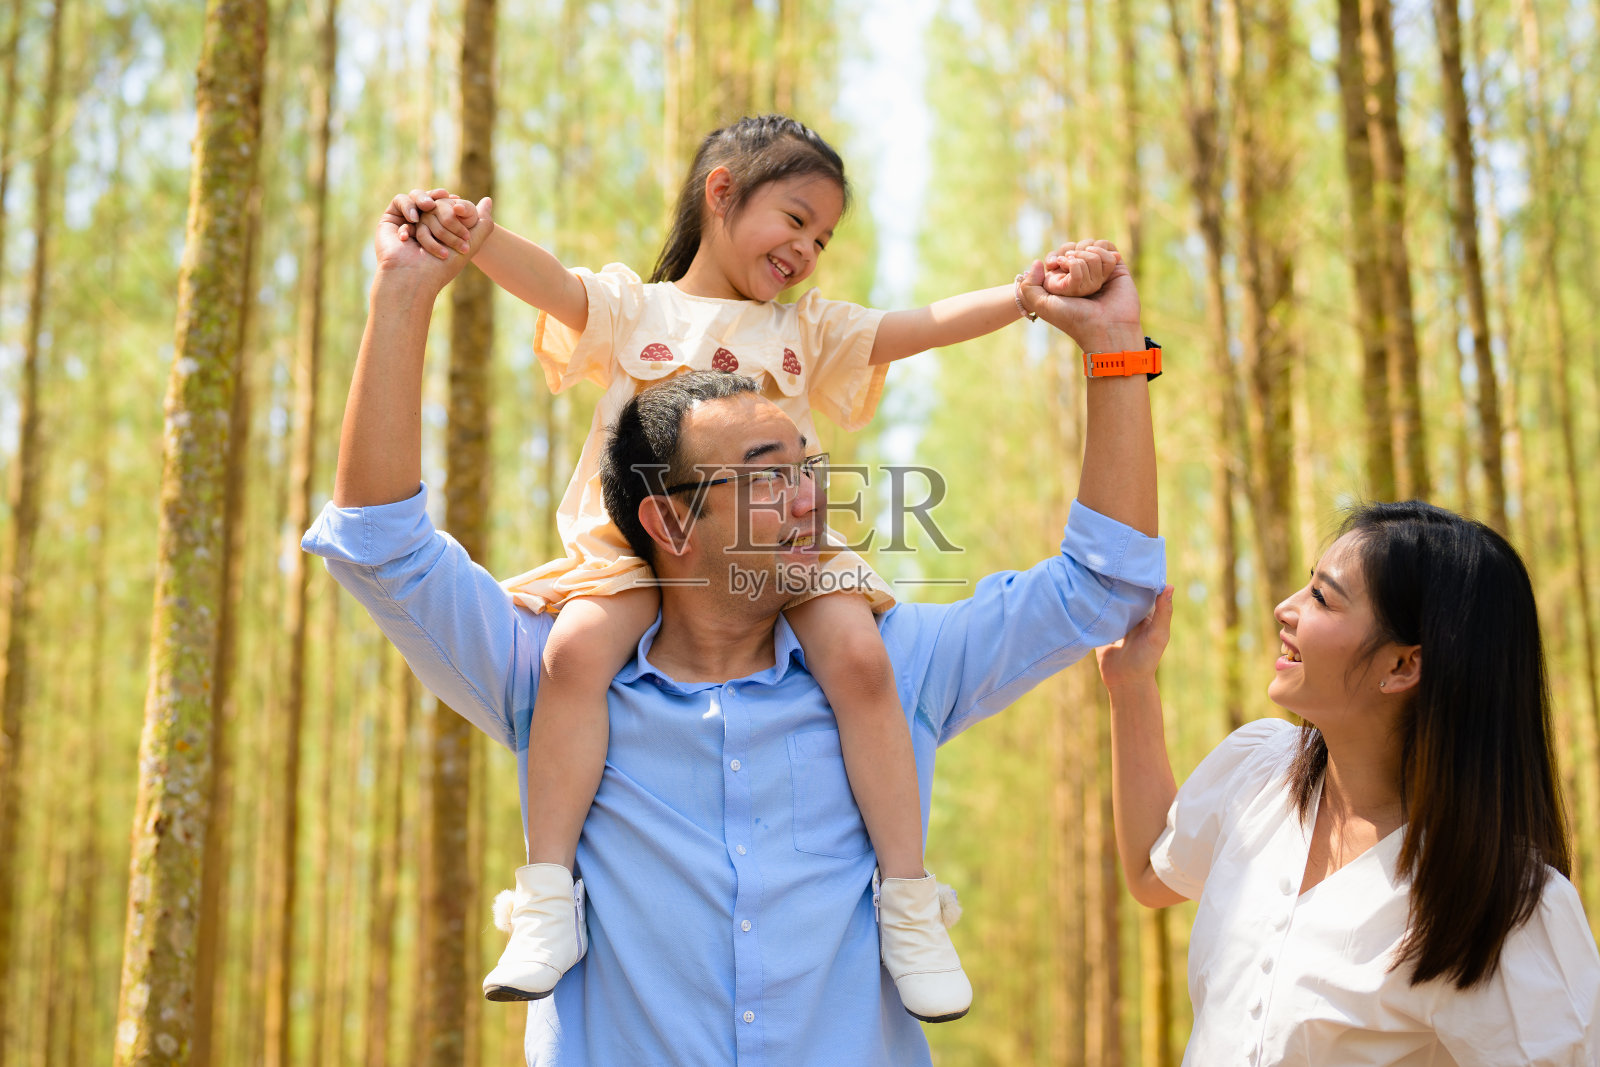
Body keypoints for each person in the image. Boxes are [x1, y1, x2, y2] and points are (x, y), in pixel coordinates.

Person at [302, 191, 1164, 1063]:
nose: (807, 500)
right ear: (668, 525)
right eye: (763, 473)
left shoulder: (894, 668)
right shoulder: (555, 677)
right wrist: (404, 291)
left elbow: (1106, 582)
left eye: (808, 467)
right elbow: (380, 545)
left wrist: (1116, 350)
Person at [1098, 502, 1600, 1065]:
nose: (1283, 609)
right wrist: (1131, 683)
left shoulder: (1505, 908)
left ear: (1402, 667)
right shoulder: (1257, 773)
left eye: (1321, 597)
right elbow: (1150, 870)